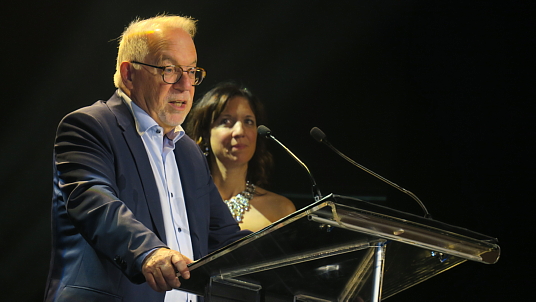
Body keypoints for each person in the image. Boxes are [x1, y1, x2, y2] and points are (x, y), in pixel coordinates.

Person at [44, 15, 251, 302]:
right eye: (169, 70)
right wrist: (149, 252)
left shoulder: (189, 152)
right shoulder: (90, 126)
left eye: (191, 71)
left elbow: (226, 238)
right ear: (129, 74)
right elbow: (96, 203)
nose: (185, 85)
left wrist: (302, 255)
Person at [186, 82, 296, 232]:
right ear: (205, 133)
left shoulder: (281, 210)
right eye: (226, 121)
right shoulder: (184, 202)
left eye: (248, 121)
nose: (239, 131)